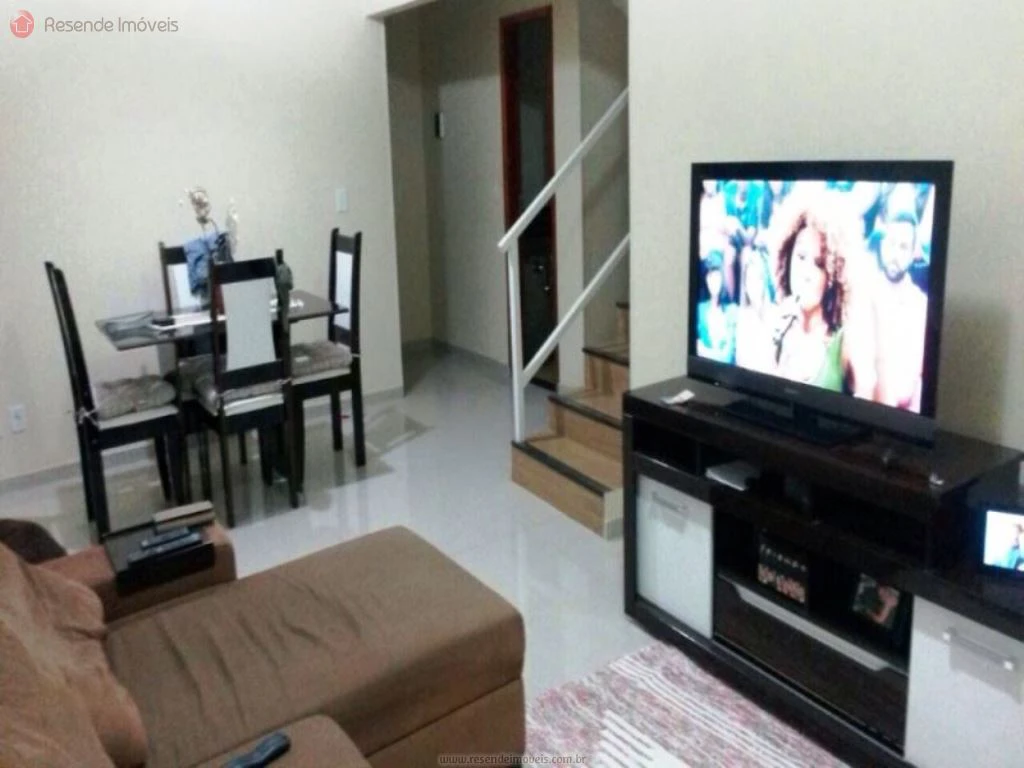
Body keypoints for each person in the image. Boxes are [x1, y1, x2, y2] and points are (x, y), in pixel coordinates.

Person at [770, 195, 863, 392]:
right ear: (786, 257)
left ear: (834, 275)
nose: (806, 273)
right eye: (801, 256)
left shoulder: (846, 342)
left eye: (819, 264)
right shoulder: (775, 327)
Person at [870, 207, 929, 411]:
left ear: (913, 254)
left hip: (899, 418)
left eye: (903, 247)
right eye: (891, 244)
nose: (895, 254)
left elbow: (907, 387)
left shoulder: (920, 306)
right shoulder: (863, 292)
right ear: (882, 245)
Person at [735, 246, 776, 374]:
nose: (753, 285)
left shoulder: (777, 315)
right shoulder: (743, 318)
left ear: (764, 280)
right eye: (749, 279)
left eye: (758, 278)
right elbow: (740, 364)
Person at [696, 250, 737, 364]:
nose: (713, 281)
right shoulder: (699, 310)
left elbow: (727, 357)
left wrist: (703, 350)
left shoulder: (732, 311)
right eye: (710, 276)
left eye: (717, 276)